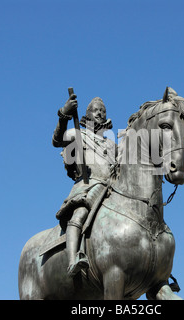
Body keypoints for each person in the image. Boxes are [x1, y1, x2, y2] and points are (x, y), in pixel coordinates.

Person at [52, 93, 116, 277]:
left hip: (111, 190)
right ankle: (73, 260)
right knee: (80, 214)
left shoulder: (112, 145)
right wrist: (64, 114)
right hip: (88, 188)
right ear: (87, 115)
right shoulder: (77, 135)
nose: (100, 114)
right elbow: (57, 140)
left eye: (103, 111)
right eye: (96, 110)